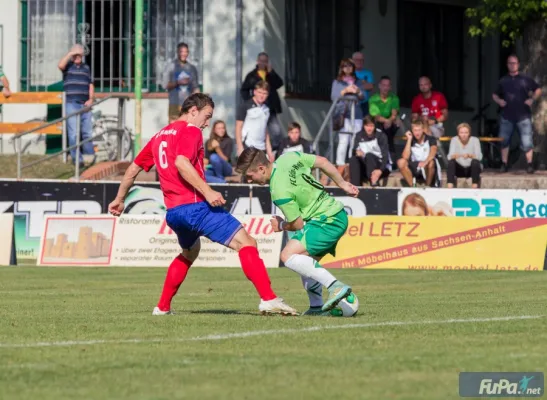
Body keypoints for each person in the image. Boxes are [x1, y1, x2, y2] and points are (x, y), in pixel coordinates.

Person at [108, 93, 296, 316]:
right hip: (195, 207)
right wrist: (207, 192)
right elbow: (181, 162)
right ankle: (269, 299)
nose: (207, 123)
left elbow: (132, 170)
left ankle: (162, 307)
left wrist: (120, 199)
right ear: (193, 111)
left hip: (174, 213)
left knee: (190, 251)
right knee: (247, 243)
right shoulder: (191, 130)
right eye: (206, 117)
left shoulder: (159, 136)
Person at [236, 147, 359, 316]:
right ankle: (316, 307)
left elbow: (297, 224)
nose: (249, 181)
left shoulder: (278, 190)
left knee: (287, 256)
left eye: (249, 176)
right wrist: (343, 183)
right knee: (304, 263)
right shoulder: (289, 157)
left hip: (326, 221)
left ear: (261, 169)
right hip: (336, 215)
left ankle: (336, 286)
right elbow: (322, 161)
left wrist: (280, 225)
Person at [492, 54, 542, 174]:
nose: (512, 65)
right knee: (504, 140)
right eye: (510, 63)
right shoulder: (503, 81)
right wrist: (499, 101)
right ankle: (504, 164)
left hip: (523, 116)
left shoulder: (525, 79)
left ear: (518, 65)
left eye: (514, 63)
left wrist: (532, 99)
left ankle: (529, 164)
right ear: (507, 65)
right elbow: (494, 94)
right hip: (507, 116)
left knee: (527, 141)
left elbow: (538, 89)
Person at [58, 44, 95, 166]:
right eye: (76, 55)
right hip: (72, 103)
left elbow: (90, 84)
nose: (78, 57)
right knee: (73, 133)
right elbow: (60, 65)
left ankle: (89, 158)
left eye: (80, 55)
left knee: (87, 132)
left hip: (85, 103)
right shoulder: (68, 67)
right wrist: (70, 53)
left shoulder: (86, 68)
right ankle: (77, 160)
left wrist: (91, 99)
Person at [241, 52, 284, 148]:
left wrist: (271, 72)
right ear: (257, 61)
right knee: (258, 130)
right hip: (256, 108)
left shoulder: (270, 74)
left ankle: (274, 150)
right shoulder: (252, 75)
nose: (263, 63)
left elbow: (279, 83)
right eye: (261, 61)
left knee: (276, 131)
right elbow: (244, 90)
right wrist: (250, 102)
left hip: (270, 107)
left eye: (265, 61)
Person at [331, 59, 365, 176]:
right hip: (344, 113)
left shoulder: (358, 81)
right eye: (345, 66)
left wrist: (358, 91)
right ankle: (340, 163)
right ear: (341, 68)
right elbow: (333, 96)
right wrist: (345, 90)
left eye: (350, 66)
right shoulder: (337, 82)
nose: (348, 68)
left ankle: (352, 162)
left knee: (355, 140)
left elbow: (363, 97)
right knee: (343, 140)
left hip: (357, 115)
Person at [235, 80, 274, 161]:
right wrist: (240, 147)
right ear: (254, 92)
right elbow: (238, 127)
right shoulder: (245, 106)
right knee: (248, 172)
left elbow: (265, 129)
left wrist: (269, 150)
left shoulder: (266, 109)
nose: (262, 96)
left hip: (261, 147)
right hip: (248, 145)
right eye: (260, 92)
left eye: (264, 93)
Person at [162, 42, 200, 123]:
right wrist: (178, 82)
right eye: (181, 51)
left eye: (186, 52)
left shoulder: (191, 68)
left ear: (188, 53)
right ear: (177, 52)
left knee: (188, 128)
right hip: (174, 102)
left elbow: (195, 87)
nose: (184, 54)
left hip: (188, 104)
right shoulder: (171, 66)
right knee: (174, 128)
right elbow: (165, 85)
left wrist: (199, 102)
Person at [348, 116, 390, 187]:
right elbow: (353, 152)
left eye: (371, 126)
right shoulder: (359, 135)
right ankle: (355, 187)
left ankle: (373, 182)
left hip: (380, 165)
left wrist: (380, 170)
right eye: (367, 126)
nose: (369, 128)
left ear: (375, 126)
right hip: (365, 164)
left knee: (369, 155)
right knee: (353, 159)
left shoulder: (381, 136)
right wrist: (356, 153)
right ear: (363, 126)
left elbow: (385, 156)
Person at [397, 120, 439, 187]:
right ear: (412, 131)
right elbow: (405, 157)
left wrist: (425, 162)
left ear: (423, 130)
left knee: (431, 162)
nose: (417, 133)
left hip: (427, 166)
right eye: (415, 130)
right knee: (400, 162)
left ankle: (428, 186)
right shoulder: (411, 140)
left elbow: (433, 152)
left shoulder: (431, 139)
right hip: (416, 167)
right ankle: (413, 186)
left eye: (419, 130)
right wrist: (409, 140)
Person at [368, 75, 400, 159]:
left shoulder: (394, 98)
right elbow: (376, 116)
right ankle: (388, 157)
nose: (385, 88)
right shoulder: (373, 99)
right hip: (379, 123)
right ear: (379, 86)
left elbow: (394, 114)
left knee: (397, 122)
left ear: (390, 87)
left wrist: (389, 121)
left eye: (388, 85)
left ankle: (390, 158)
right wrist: (387, 121)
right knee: (380, 130)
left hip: (390, 124)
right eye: (383, 85)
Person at [447, 123, 483, 189]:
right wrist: (455, 156)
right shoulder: (454, 140)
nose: (464, 135)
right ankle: (450, 187)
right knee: (451, 163)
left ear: (469, 133)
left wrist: (470, 155)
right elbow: (449, 157)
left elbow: (479, 157)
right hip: (459, 168)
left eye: (466, 132)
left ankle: (474, 186)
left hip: (471, 169)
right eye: (461, 132)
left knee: (475, 162)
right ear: (458, 133)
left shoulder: (475, 140)